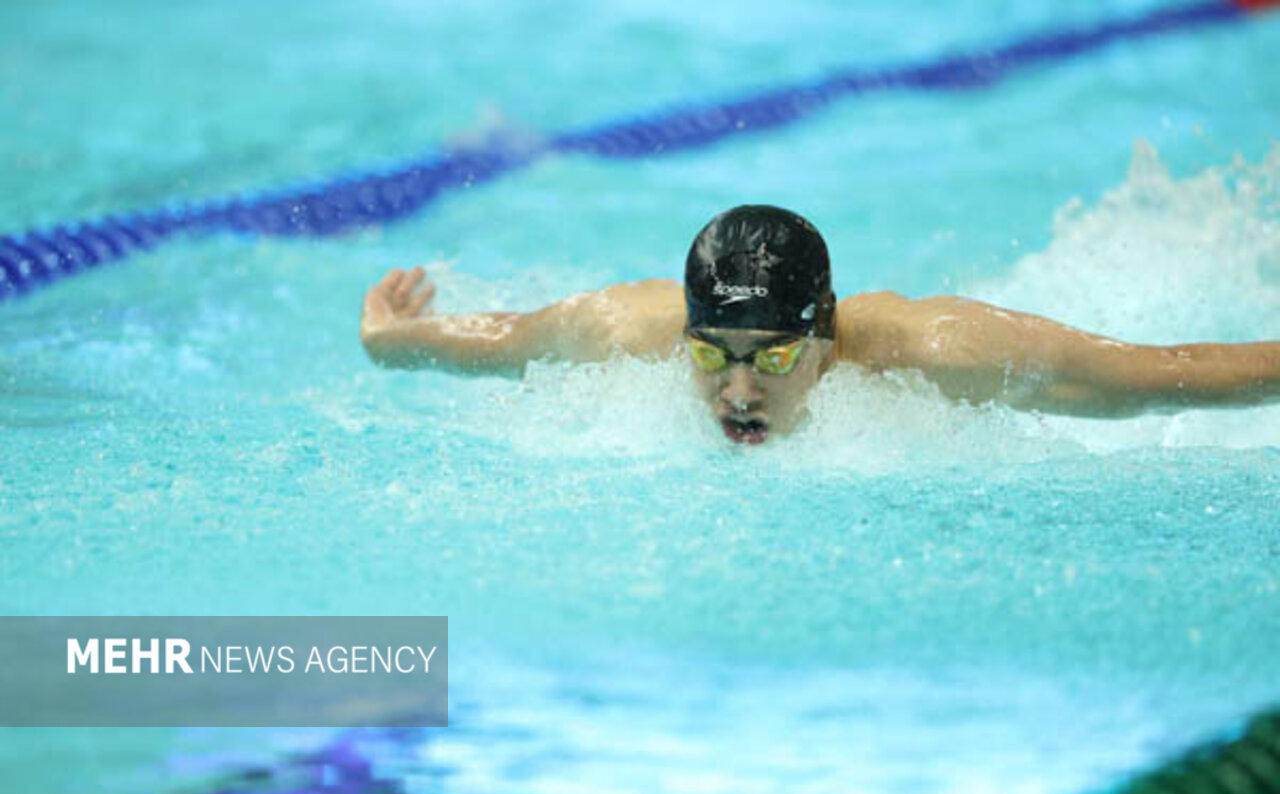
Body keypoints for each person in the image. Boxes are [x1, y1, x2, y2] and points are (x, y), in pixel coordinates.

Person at [360, 205, 1280, 445]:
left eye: (774, 358)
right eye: (713, 353)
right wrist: (392, 339)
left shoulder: (936, 353)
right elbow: (512, 339)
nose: (738, 390)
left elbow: (1163, 370)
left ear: (826, 339)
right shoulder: (626, 329)